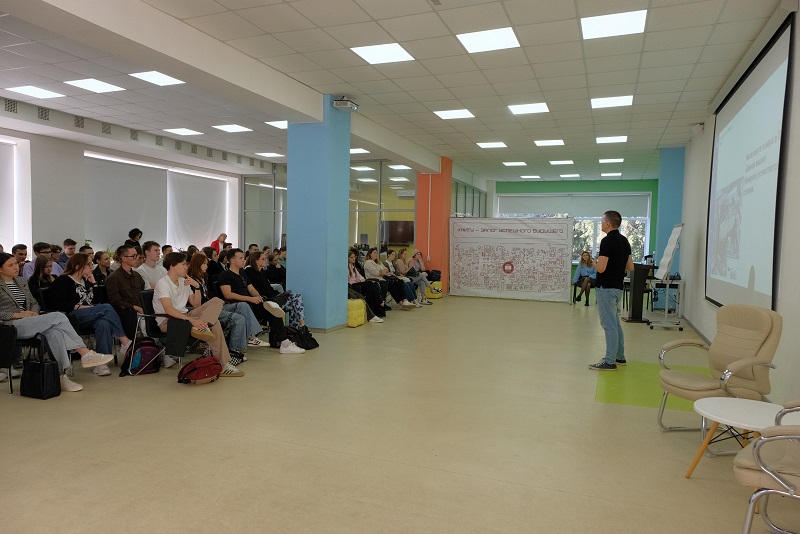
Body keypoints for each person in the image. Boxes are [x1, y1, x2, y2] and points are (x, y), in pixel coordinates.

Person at [0, 252, 114, 391]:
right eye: (10, 265)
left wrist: (33, 313)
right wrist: (19, 315)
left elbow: (34, 302)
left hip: (30, 320)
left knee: (56, 333)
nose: (16, 267)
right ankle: (86, 354)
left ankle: (61, 376)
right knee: (58, 316)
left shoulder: (20, 281)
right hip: (10, 325)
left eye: (16, 264)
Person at [152, 252, 243, 376]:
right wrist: (192, 320)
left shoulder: (184, 281)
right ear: (172, 266)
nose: (186, 267)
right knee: (215, 323)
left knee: (217, 301)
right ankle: (224, 364)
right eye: (183, 264)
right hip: (169, 320)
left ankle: (204, 328)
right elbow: (168, 309)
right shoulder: (163, 283)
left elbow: (196, 305)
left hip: (185, 316)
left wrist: (197, 287)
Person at [47, 253, 133, 377]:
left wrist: (94, 284)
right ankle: (124, 341)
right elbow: (57, 303)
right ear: (78, 266)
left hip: (92, 314)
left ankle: (101, 363)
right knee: (106, 308)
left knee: (103, 323)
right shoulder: (63, 281)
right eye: (89, 264)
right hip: (73, 316)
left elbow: (100, 301)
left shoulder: (86, 280)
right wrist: (83, 307)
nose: (92, 267)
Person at [218, 248, 305, 354]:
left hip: (250, 304)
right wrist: (250, 298)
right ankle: (252, 336)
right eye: (240, 258)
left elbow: (251, 289)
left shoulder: (242, 273)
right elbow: (228, 295)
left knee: (273, 310)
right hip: (237, 306)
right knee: (262, 307)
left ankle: (285, 344)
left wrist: (259, 297)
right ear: (232, 260)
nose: (243, 260)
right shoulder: (225, 275)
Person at [188, 252, 255, 365]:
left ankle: (248, 339)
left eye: (207, 264)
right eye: (203, 264)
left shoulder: (205, 278)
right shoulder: (191, 282)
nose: (206, 266)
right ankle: (234, 352)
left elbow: (213, 295)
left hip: (215, 306)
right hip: (206, 311)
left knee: (242, 305)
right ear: (197, 264)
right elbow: (198, 304)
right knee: (239, 319)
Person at [589, 211, 634, 371]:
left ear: (608, 223)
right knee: (615, 323)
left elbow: (601, 268)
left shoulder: (607, 241)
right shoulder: (624, 241)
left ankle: (609, 361)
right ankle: (619, 356)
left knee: (609, 325)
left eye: (602, 221)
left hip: (606, 288)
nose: (601, 223)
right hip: (617, 287)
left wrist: (593, 263)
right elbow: (630, 267)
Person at [245, 251, 305, 328]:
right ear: (256, 261)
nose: (266, 261)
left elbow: (269, 288)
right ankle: (301, 327)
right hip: (265, 300)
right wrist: (277, 295)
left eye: (265, 258)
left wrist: (278, 294)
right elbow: (257, 290)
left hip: (271, 297)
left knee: (295, 300)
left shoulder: (262, 272)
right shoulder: (249, 271)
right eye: (263, 259)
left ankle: (298, 328)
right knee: (296, 297)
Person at [104, 245, 145, 340]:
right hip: (125, 311)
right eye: (133, 256)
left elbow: (142, 293)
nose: (136, 258)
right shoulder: (114, 278)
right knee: (131, 315)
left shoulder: (137, 275)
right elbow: (115, 301)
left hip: (138, 309)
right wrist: (135, 307)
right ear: (124, 258)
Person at [348, 250, 386, 319]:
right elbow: (349, 280)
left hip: (358, 283)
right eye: (351, 257)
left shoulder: (353, 267)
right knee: (371, 283)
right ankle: (380, 301)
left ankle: (374, 310)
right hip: (353, 285)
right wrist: (356, 280)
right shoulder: (347, 267)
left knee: (373, 286)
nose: (354, 259)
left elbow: (361, 277)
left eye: (354, 257)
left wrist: (358, 280)